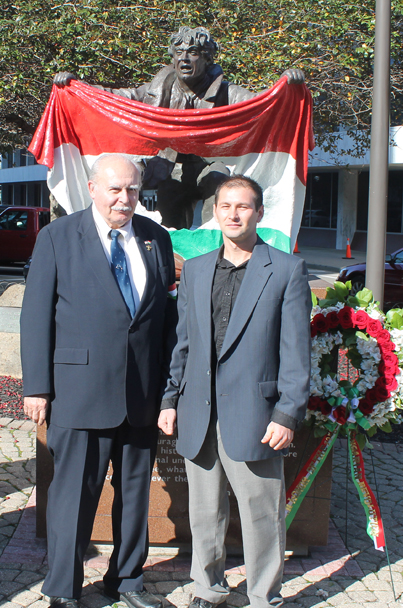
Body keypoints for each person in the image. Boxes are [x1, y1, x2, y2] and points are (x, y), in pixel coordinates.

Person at [20, 154, 177, 608]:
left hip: (141, 394)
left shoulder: (156, 239)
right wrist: (37, 386)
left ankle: (126, 580)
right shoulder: (57, 237)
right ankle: (63, 588)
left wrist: (169, 390)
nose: (125, 199)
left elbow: (162, 319)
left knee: (134, 495)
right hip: (80, 390)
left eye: (132, 190)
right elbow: (36, 317)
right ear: (92, 189)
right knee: (74, 495)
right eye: (115, 189)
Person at [158, 175, 311, 608]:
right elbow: (183, 343)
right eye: (225, 206)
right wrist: (170, 399)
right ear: (215, 211)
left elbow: (297, 352)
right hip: (198, 411)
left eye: (243, 206)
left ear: (259, 213)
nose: (233, 214)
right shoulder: (198, 269)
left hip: (257, 415)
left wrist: (287, 413)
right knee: (205, 513)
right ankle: (208, 589)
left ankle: (263, 595)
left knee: (262, 514)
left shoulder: (286, 269)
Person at [53, 26, 304, 228]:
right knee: (167, 197)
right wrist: (79, 87)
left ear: (206, 58)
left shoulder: (225, 91)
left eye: (193, 52)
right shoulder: (157, 89)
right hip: (170, 164)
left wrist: (284, 87)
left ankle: (213, 243)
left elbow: (259, 102)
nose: (184, 58)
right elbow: (120, 97)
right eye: (179, 53)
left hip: (208, 163)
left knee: (219, 186)